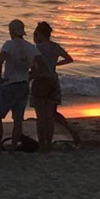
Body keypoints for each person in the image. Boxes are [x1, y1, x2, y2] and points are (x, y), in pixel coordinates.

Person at [29, 21, 81, 152]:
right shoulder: (55, 47)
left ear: (39, 34)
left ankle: (42, 145)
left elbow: (32, 65)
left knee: (40, 117)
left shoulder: (36, 48)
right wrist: (56, 65)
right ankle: (48, 143)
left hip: (40, 82)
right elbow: (69, 59)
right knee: (50, 117)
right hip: (53, 81)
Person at [0, 19, 40, 154]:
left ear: (11, 31)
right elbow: (38, 67)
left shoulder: (9, 45)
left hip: (9, 84)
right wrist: (29, 76)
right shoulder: (31, 47)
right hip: (23, 85)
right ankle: (12, 148)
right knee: (18, 119)